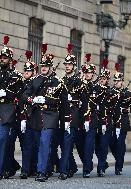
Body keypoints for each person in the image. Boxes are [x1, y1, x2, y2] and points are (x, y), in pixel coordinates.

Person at [22, 48, 70, 182]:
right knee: (40, 144)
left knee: (44, 142)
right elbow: (24, 95)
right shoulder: (34, 80)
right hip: (36, 116)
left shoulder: (58, 82)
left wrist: (66, 119)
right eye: (42, 66)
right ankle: (47, 168)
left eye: (46, 66)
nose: (44, 68)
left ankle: (41, 172)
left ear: (50, 67)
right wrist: (33, 99)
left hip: (51, 115)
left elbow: (63, 102)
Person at [0, 36, 23, 181]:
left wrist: (7, 93)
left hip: (8, 110)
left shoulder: (15, 75)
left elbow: (20, 93)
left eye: (5, 58)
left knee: (3, 140)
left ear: (10, 59)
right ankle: (10, 166)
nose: (2, 60)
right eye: (1, 57)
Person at [58, 44, 84, 180]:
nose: (67, 66)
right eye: (66, 64)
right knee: (63, 144)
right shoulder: (61, 81)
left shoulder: (79, 81)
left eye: (70, 64)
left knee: (67, 143)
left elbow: (83, 101)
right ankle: (72, 166)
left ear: (74, 66)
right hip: (62, 115)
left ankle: (63, 170)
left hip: (73, 115)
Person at [109, 63, 131, 175]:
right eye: (115, 81)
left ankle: (118, 166)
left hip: (123, 120)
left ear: (122, 81)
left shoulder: (129, 94)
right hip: (112, 121)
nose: (116, 83)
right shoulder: (110, 92)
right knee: (112, 144)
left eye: (118, 81)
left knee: (120, 144)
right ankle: (119, 158)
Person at [19, 50, 39, 179]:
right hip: (23, 117)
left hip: (35, 117)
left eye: (29, 70)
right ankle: (25, 170)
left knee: (36, 145)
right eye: (25, 70)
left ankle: (35, 168)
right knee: (26, 146)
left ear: (34, 72)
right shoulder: (20, 83)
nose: (26, 72)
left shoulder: (36, 83)